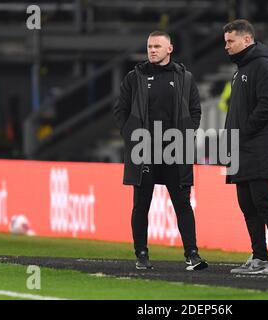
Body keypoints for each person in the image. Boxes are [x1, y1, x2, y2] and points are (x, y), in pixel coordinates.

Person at [112, 31, 208, 271]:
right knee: (141, 204)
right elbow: (120, 110)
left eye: (157, 46)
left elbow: (195, 110)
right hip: (144, 150)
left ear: (170, 49)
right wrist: (130, 136)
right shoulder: (135, 77)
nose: (152, 50)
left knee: (183, 204)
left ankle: (192, 255)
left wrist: (187, 135)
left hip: (175, 150)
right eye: (149, 46)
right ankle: (142, 254)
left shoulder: (185, 78)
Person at [223, 19, 268, 275]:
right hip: (241, 148)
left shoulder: (262, 65)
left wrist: (243, 132)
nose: (227, 47)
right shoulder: (240, 69)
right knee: (247, 204)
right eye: (225, 42)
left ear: (246, 39)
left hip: (259, 147)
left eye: (231, 41)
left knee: (263, 202)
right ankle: (259, 256)